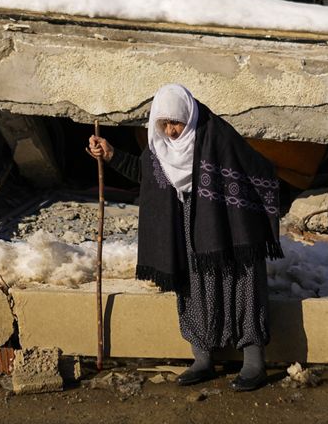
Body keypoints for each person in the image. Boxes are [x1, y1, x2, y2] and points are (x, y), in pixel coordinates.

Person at [87, 83, 284, 392]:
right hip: (184, 223)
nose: (171, 130)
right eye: (163, 124)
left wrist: (252, 212)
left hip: (227, 222)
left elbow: (254, 168)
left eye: (175, 122)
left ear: (187, 116)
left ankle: (253, 361)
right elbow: (146, 174)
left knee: (241, 279)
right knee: (191, 283)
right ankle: (203, 358)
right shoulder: (160, 146)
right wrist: (110, 154)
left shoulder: (215, 135)